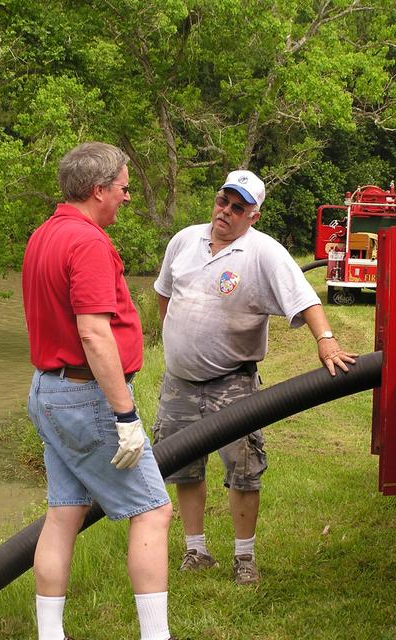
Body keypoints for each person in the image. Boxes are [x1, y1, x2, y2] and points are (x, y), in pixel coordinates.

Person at [152, 169, 357, 585]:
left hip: (232, 381)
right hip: (179, 382)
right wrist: (175, 339)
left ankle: (243, 558)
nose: (225, 211)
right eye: (223, 201)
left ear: (254, 216)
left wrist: (328, 341)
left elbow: (305, 299)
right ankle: (196, 550)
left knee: (244, 469)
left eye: (238, 207)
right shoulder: (184, 241)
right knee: (183, 466)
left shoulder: (264, 253)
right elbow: (164, 292)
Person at [22, 142, 175, 640]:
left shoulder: (44, 235)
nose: (128, 197)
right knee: (153, 510)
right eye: (124, 188)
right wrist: (125, 416)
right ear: (99, 190)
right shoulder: (86, 243)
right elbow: (93, 333)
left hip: (48, 391)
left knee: (64, 512)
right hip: (85, 398)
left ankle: (51, 635)